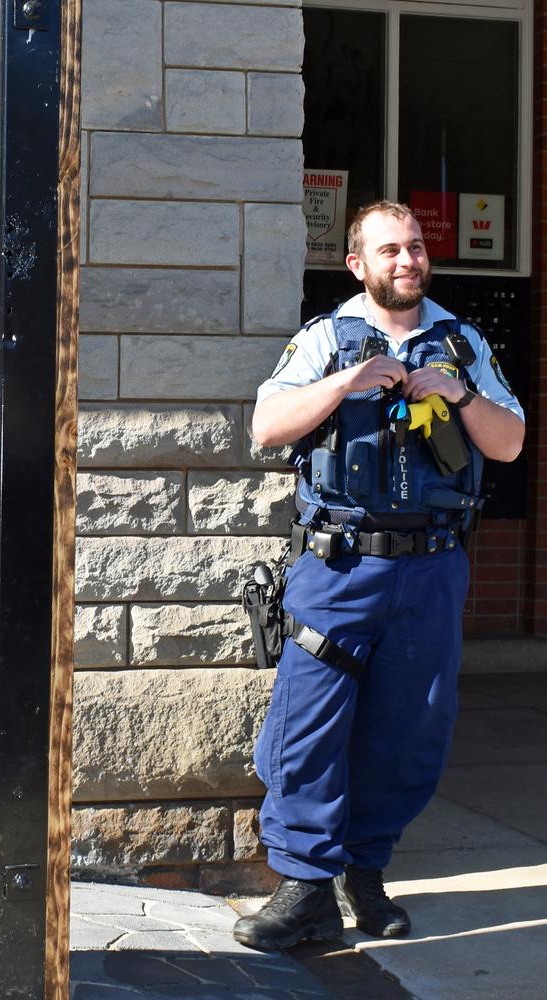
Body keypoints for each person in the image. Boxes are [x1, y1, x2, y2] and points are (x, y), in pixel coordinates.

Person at [233, 201, 525, 952]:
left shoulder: (461, 342)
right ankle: (303, 887)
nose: (408, 260)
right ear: (357, 264)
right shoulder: (325, 338)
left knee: (408, 732)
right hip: (337, 568)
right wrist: (346, 383)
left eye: (417, 247)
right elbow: (265, 427)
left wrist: (456, 393)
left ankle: (363, 874)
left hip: (430, 571)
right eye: (389, 249)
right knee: (308, 728)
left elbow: (513, 441)